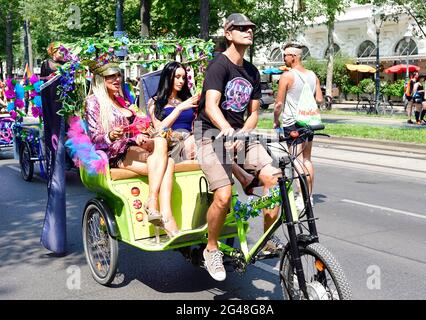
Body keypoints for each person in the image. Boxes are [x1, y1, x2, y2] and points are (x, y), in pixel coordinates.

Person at [193, 13, 282, 281]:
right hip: (208, 133)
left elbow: (253, 113)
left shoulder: (252, 71)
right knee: (223, 195)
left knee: (274, 178)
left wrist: (243, 132)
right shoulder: (218, 66)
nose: (248, 31)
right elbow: (210, 106)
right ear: (228, 33)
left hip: (238, 135)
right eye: (241, 28)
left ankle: (267, 238)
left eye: (251, 28)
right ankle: (211, 249)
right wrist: (226, 131)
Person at [85, 53, 179, 237]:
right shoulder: (93, 102)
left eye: (118, 75)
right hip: (114, 153)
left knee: (163, 147)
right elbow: (95, 138)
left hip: (134, 149)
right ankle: (163, 214)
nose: (117, 79)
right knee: (168, 163)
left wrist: (142, 134)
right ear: (100, 79)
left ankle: (155, 206)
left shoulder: (124, 101)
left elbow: (140, 124)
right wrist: (111, 135)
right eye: (111, 76)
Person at [148, 61, 258, 193]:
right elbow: (159, 129)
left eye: (183, 77)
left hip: (191, 140)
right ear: (168, 77)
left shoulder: (188, 99)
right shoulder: (155, 102)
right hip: (171, 144)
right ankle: (243, 176)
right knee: (200, 143)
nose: (181, 81)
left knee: (208, 141)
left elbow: (201, 121)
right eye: (177, 77)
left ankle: (235, 180)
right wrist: (179, 109)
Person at [273, 43, 323, 209]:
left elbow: (279, 103)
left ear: (294, 56)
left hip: (293, 122)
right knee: (307, 159)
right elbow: (320, 100)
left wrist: (275, 120)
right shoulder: (312, 75)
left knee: (296, 160)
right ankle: (309, 196)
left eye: (285, 55)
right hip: (308, 121)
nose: (284, 58)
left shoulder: (287, 76)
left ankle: (301, 198)